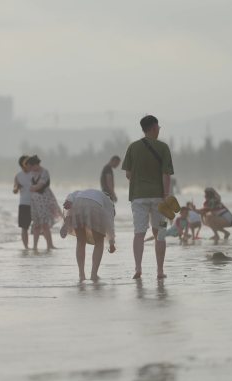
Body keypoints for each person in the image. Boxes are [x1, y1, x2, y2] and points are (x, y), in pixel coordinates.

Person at [122, 115, 175, 280]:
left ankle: (138, 268)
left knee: (139, 233)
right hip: (159, 198)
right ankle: (159, 270)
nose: (159, 130)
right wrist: (166, 195)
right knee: (160, 233)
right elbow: (166, 175)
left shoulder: (133, 147)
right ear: (153, 127)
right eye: (158, 127)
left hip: (138, 197)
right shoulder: (163, 148)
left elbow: (128, 174)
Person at [61, 189, 116, 281]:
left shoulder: (84, 192)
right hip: (95, 206)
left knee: (80, 241)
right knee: (99, 241)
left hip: (77, 203)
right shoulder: (108, 202)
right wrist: (111, 243)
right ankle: (93, 274)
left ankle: (81, 274)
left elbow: (71, 196)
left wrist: (68, 205)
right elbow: (109, 223)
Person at [27, 155, 62, 251]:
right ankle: (35, 246)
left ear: (36, 164)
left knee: (45, 223)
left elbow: (40, 185)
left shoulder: (44, 172)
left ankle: (50, 245)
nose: (30, 168)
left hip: (44, 200)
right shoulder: (30, 173)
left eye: (31, 166)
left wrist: (32, 188)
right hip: (34, 201)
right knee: (36, 223)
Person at [13, 155, 32, 249]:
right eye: (28, 163)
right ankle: (26, 247)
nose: (30, 165)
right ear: (23, 164)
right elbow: (14, 190)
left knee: (39, 225)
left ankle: (37, 245)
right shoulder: (18, 176)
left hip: (35, 203)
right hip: (23, 204)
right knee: (24, 227)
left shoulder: (34, 174)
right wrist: (17, 187)